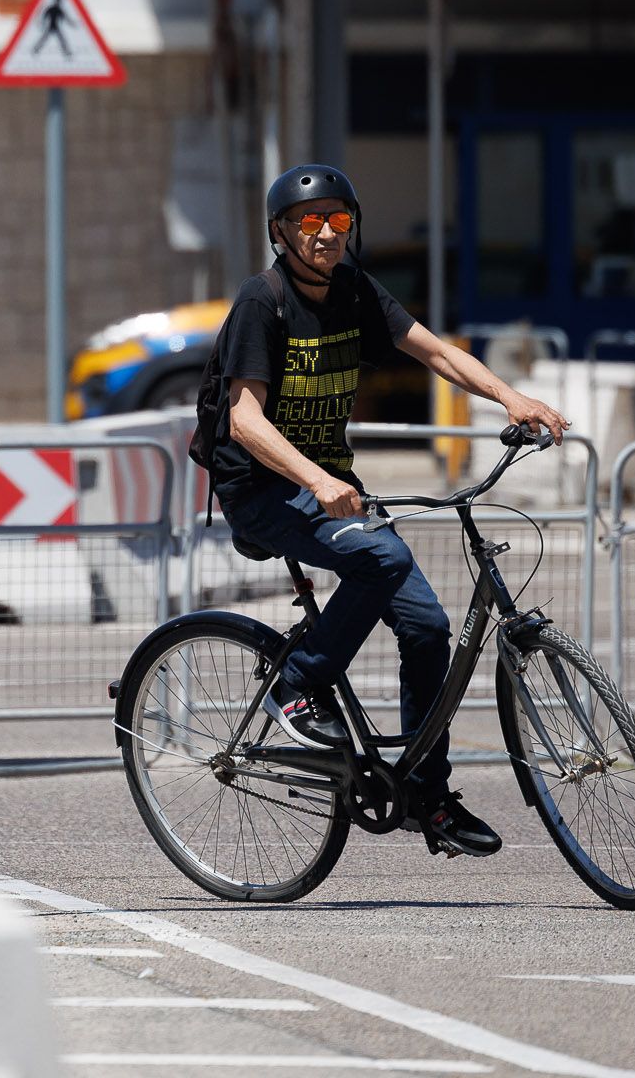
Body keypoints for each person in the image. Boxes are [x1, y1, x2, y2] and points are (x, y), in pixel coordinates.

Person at [203, 163, 569, 861]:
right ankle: (299, 680)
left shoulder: (354, 291)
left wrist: (510, 398)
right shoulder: (263, 301)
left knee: (428, 626)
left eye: (339, 220)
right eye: (310, 221)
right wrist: (316, 479)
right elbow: (244, 420)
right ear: (281, 232)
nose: (325, 233)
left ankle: (426, 796)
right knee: (383, 555)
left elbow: (431, 350)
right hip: (259, 490)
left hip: (326, 486)